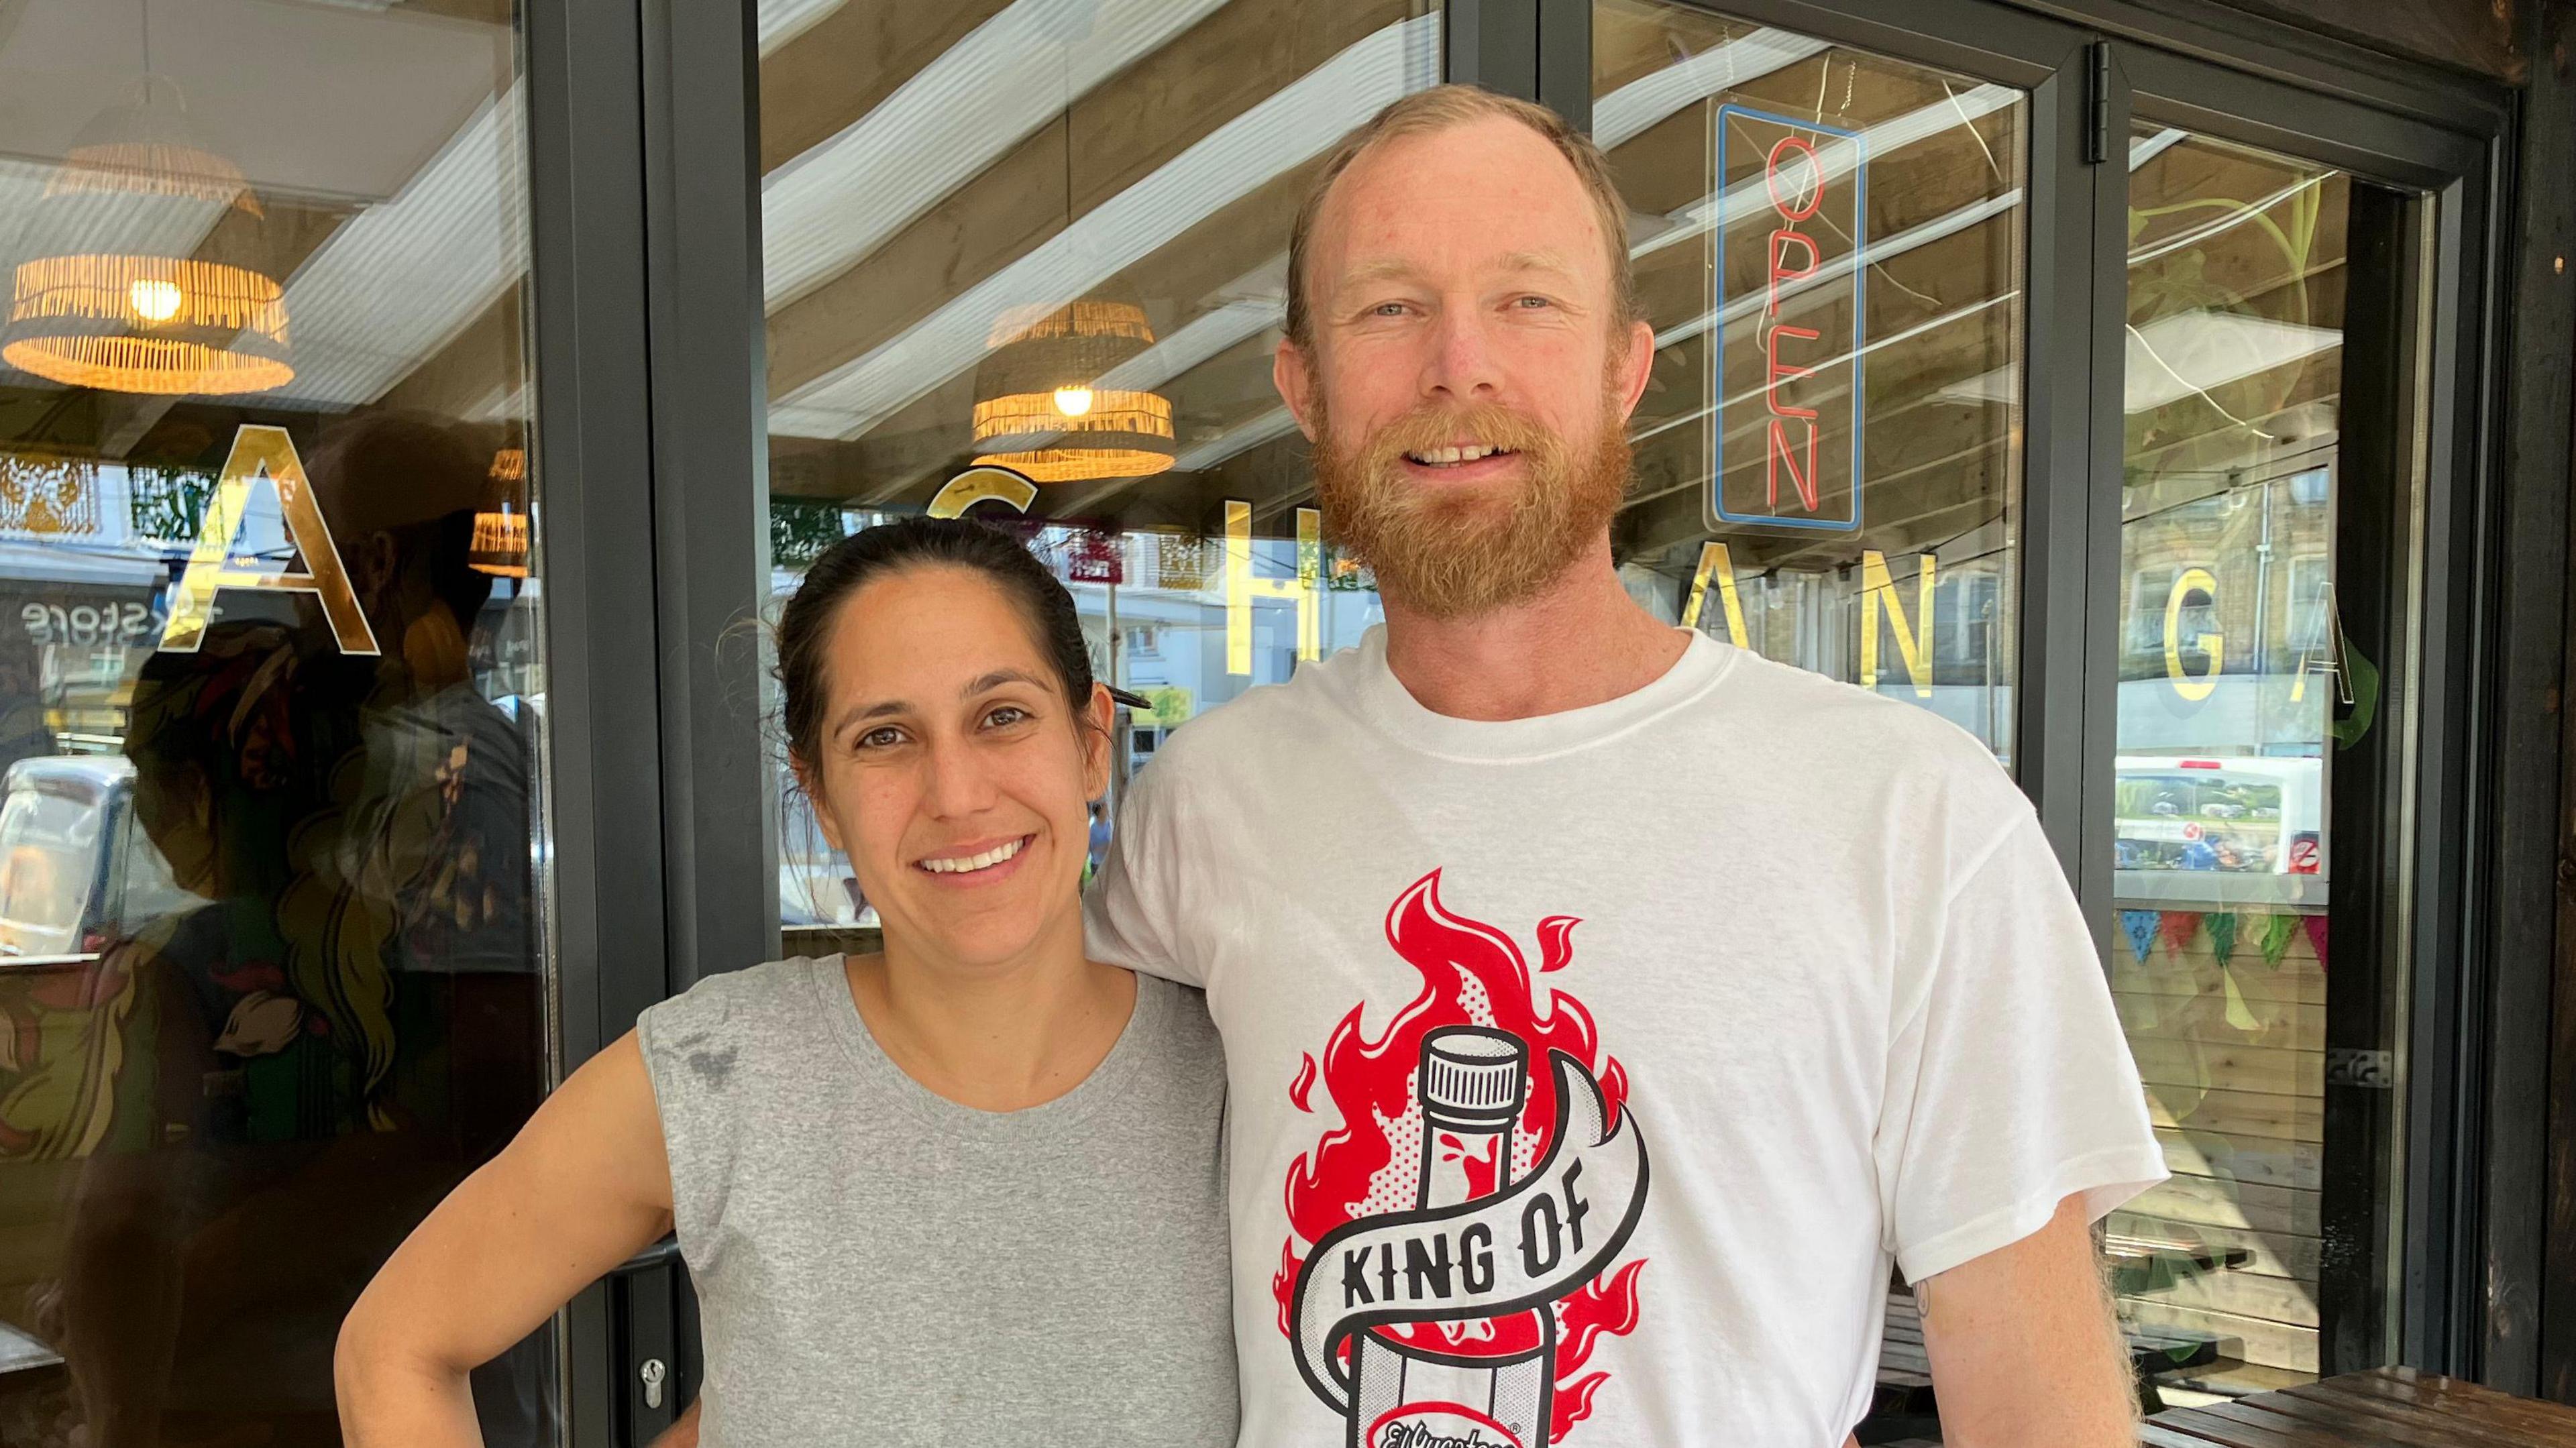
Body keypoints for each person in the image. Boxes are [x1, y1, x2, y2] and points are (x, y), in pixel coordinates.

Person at [1088, 86, 2165, 1447]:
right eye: (1388, 307)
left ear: (1624, 367)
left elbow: (2036, 1399)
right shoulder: (1206, 803)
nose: (1457, 364)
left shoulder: (1911, 818)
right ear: (1303, 385)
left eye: (1527, 301)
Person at [337, 518, 1237, 1445]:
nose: (957, 794)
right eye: (885, 737)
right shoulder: (723, 1073)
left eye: (1002, 715)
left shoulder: (1242, 1072)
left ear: (1091, 744)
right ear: (822, 798)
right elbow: (397, 1346)